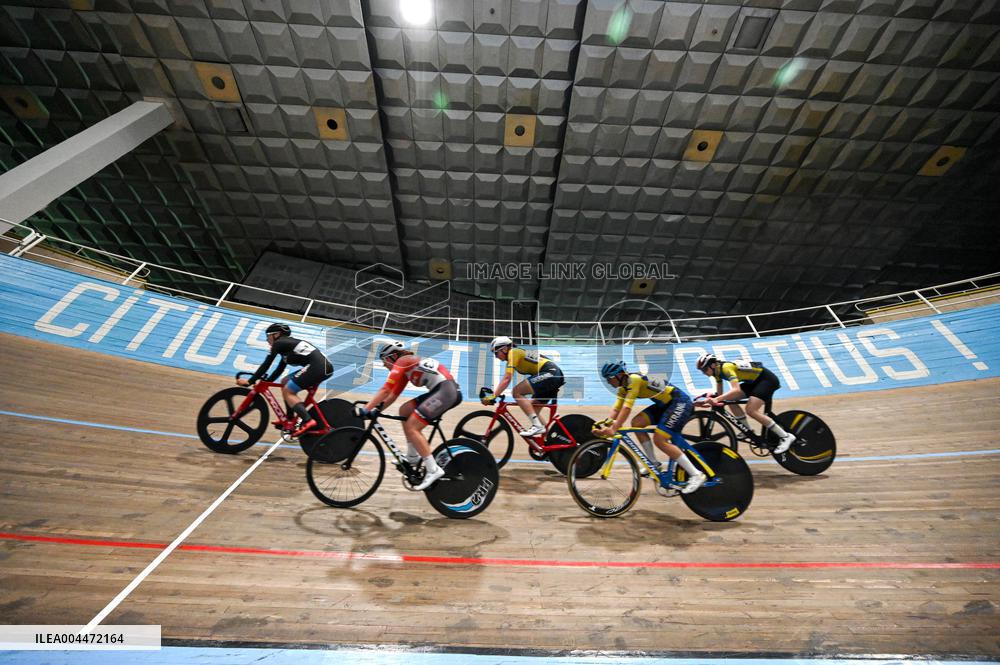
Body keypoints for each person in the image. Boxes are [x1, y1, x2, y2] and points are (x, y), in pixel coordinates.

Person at [359, 338, 463, 491]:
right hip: (441, 390)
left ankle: (433, 470)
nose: (384, 365)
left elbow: (385, 390)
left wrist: (366, 409)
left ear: (392, 356)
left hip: (446, 391)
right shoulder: (406, 367)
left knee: (412, 427)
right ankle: (413, 457)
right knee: (405, 410)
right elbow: (392, 396)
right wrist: (377, 411)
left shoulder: (402, 361)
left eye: (384, 361)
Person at [592, 361, 706, 494]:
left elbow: (627, 408)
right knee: (637, 423)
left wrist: (614, 428)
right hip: (665, 405)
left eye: (610, 378)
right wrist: (606, 424)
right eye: (607, 379)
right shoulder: (623, 388)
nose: (609, 382)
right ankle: (653, 463)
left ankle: (696, 474)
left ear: (620, 375)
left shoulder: (634, 380)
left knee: (660, 440)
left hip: (679, 402)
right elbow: (617, 409)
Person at [237, 322, 333, 437]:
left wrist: (250, 381)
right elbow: (279, 369)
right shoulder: (286, 346)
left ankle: (308, 420)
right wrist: (267, 382)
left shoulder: (279, 343)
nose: (267, 339)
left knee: (289, 391)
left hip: (318, 367)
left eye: (268, 336)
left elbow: (267, 363)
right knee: (285, 382)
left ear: (276, 334)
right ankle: (290, 419)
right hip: (320, 366)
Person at [695, 353, 796, 454]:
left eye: (704, 370)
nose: (704, 373)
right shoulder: (716, 372)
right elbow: (720, 395)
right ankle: (747, 430)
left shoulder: (726, 368)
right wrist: (713, 397)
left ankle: (785, 437)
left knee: (751, 410)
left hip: (766, 380)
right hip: (753, 382)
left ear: (712, 365)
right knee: (729, 400)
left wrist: (717, 399)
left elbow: (736, 390)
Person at [488, 336, 564, 437]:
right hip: (552, 374)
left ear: (505, 349)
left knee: (516, 392)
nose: (496, 356)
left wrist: (493, 396)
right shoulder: (514, 355)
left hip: (550, 373)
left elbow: (507, 379)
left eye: (496, 352)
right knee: (531, 408)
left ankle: (537, 426)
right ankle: (549, 440)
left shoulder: (513, 352)